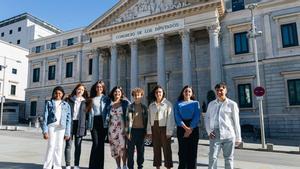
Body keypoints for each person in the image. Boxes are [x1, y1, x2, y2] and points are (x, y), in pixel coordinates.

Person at [205, 82, 242, 169]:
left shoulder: (232, 104)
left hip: (229, 134)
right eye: (217, 90)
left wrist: (238, 137)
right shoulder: (211, 104)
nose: (219, 92)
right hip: (215, 134)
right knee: (212, 157)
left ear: (226, 90)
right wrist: (209, 132)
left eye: (221, 90)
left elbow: (236, 121)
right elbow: (207, 118)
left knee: (229, 158)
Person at [41, 86, 71, 169]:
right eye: (56, 93)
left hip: (61, 127)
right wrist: (45, 131)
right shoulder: (49, 103)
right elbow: (45, 117)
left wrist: (67, 133)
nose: (58, 95)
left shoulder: (66, 105)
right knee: (51, 146)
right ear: (53, 94)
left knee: (59, 146)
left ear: (62, 94)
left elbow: (68, 120)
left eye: (60, 93)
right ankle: (47, 166)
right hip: (51, 126)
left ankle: (57, 166)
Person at [147, 85, 175, 169]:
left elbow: (171, 118)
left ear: (163, 93)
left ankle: (168, 167)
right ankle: (157, 167)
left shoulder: (168, 104)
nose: (158, 93)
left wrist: (169, 131)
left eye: (160, 92)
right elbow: (149, 119)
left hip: (164, 127)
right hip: (154, 128)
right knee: (156, 149)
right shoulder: (151, 105)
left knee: (167, 149)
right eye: (156, 92)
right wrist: (149, 131)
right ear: (154, 94)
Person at [174, 85, 200, 169]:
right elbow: (177, 116)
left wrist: (190, 129)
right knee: (182, 151)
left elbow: (197, 116)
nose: (187, 93)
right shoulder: (178, 103)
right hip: (181, 128)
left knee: (193, 152)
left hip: (193, 128)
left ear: (192, 93)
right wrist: (185, 128)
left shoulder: (196, 103)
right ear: (182, 92)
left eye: (189, 91)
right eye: (186, 91)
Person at [104, 86, 130, 169]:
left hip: (122, 128)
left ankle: (125, 165)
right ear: (113, 93)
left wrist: (128, 128)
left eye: (119, 92)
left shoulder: (125, 103)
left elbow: (130, 113)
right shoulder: (109, 103)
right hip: (112, 129)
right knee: (115, 148)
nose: (117, 93)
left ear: (121, 93)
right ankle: (118, 166)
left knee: (123, 147)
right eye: (115, 92)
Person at [64, 83, 89, 169]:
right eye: (79, 89)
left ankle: (76, 165)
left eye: (82, 90)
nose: (80, 91)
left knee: (78, 146)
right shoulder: (69, 100)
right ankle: (68, 165)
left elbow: (88, 115)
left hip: (80, 125)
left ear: (83, 91)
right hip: (70, 125)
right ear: (76, 89)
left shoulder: (85, 101)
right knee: (68, 146)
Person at [88, 80, 109, 169]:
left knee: (101, 145)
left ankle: (100, 166)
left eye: (101, 87)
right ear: (95, 88)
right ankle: (92, 166)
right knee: (95, 143)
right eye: (97, 87)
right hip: (94, 122)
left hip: (103, 122)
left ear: (103, 88)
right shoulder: (91, 99)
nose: (99, 88)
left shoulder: (106, 99)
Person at [126, 88, 148, 169]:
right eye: (135, 95)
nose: (136, 97)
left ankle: (140, 166)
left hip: (141, 131)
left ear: (141, 96)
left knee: (141, 151)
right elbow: (127, 120)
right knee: (130, 152)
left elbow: (147, 121)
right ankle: (130, 167)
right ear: (133, 96)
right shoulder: (130, 107)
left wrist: (146, 132)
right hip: (132, 131)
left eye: (138, 95)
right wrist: (127, 132)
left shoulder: (144, 108)